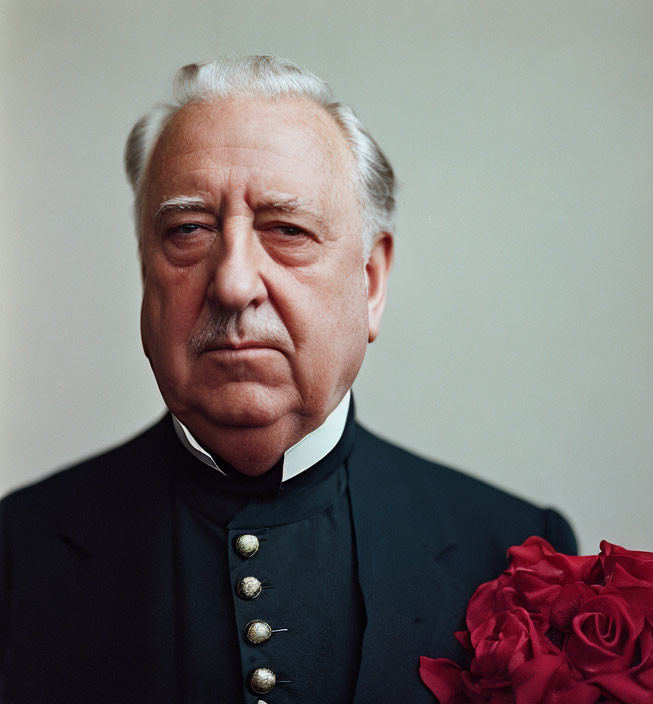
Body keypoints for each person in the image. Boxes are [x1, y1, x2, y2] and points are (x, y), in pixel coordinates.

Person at [0, 56, 576, 704]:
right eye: (188, 230)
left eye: (287, 230)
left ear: (372, 281)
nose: (234, 282)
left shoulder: (515, 556)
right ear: (144, 270)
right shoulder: (17, 553)